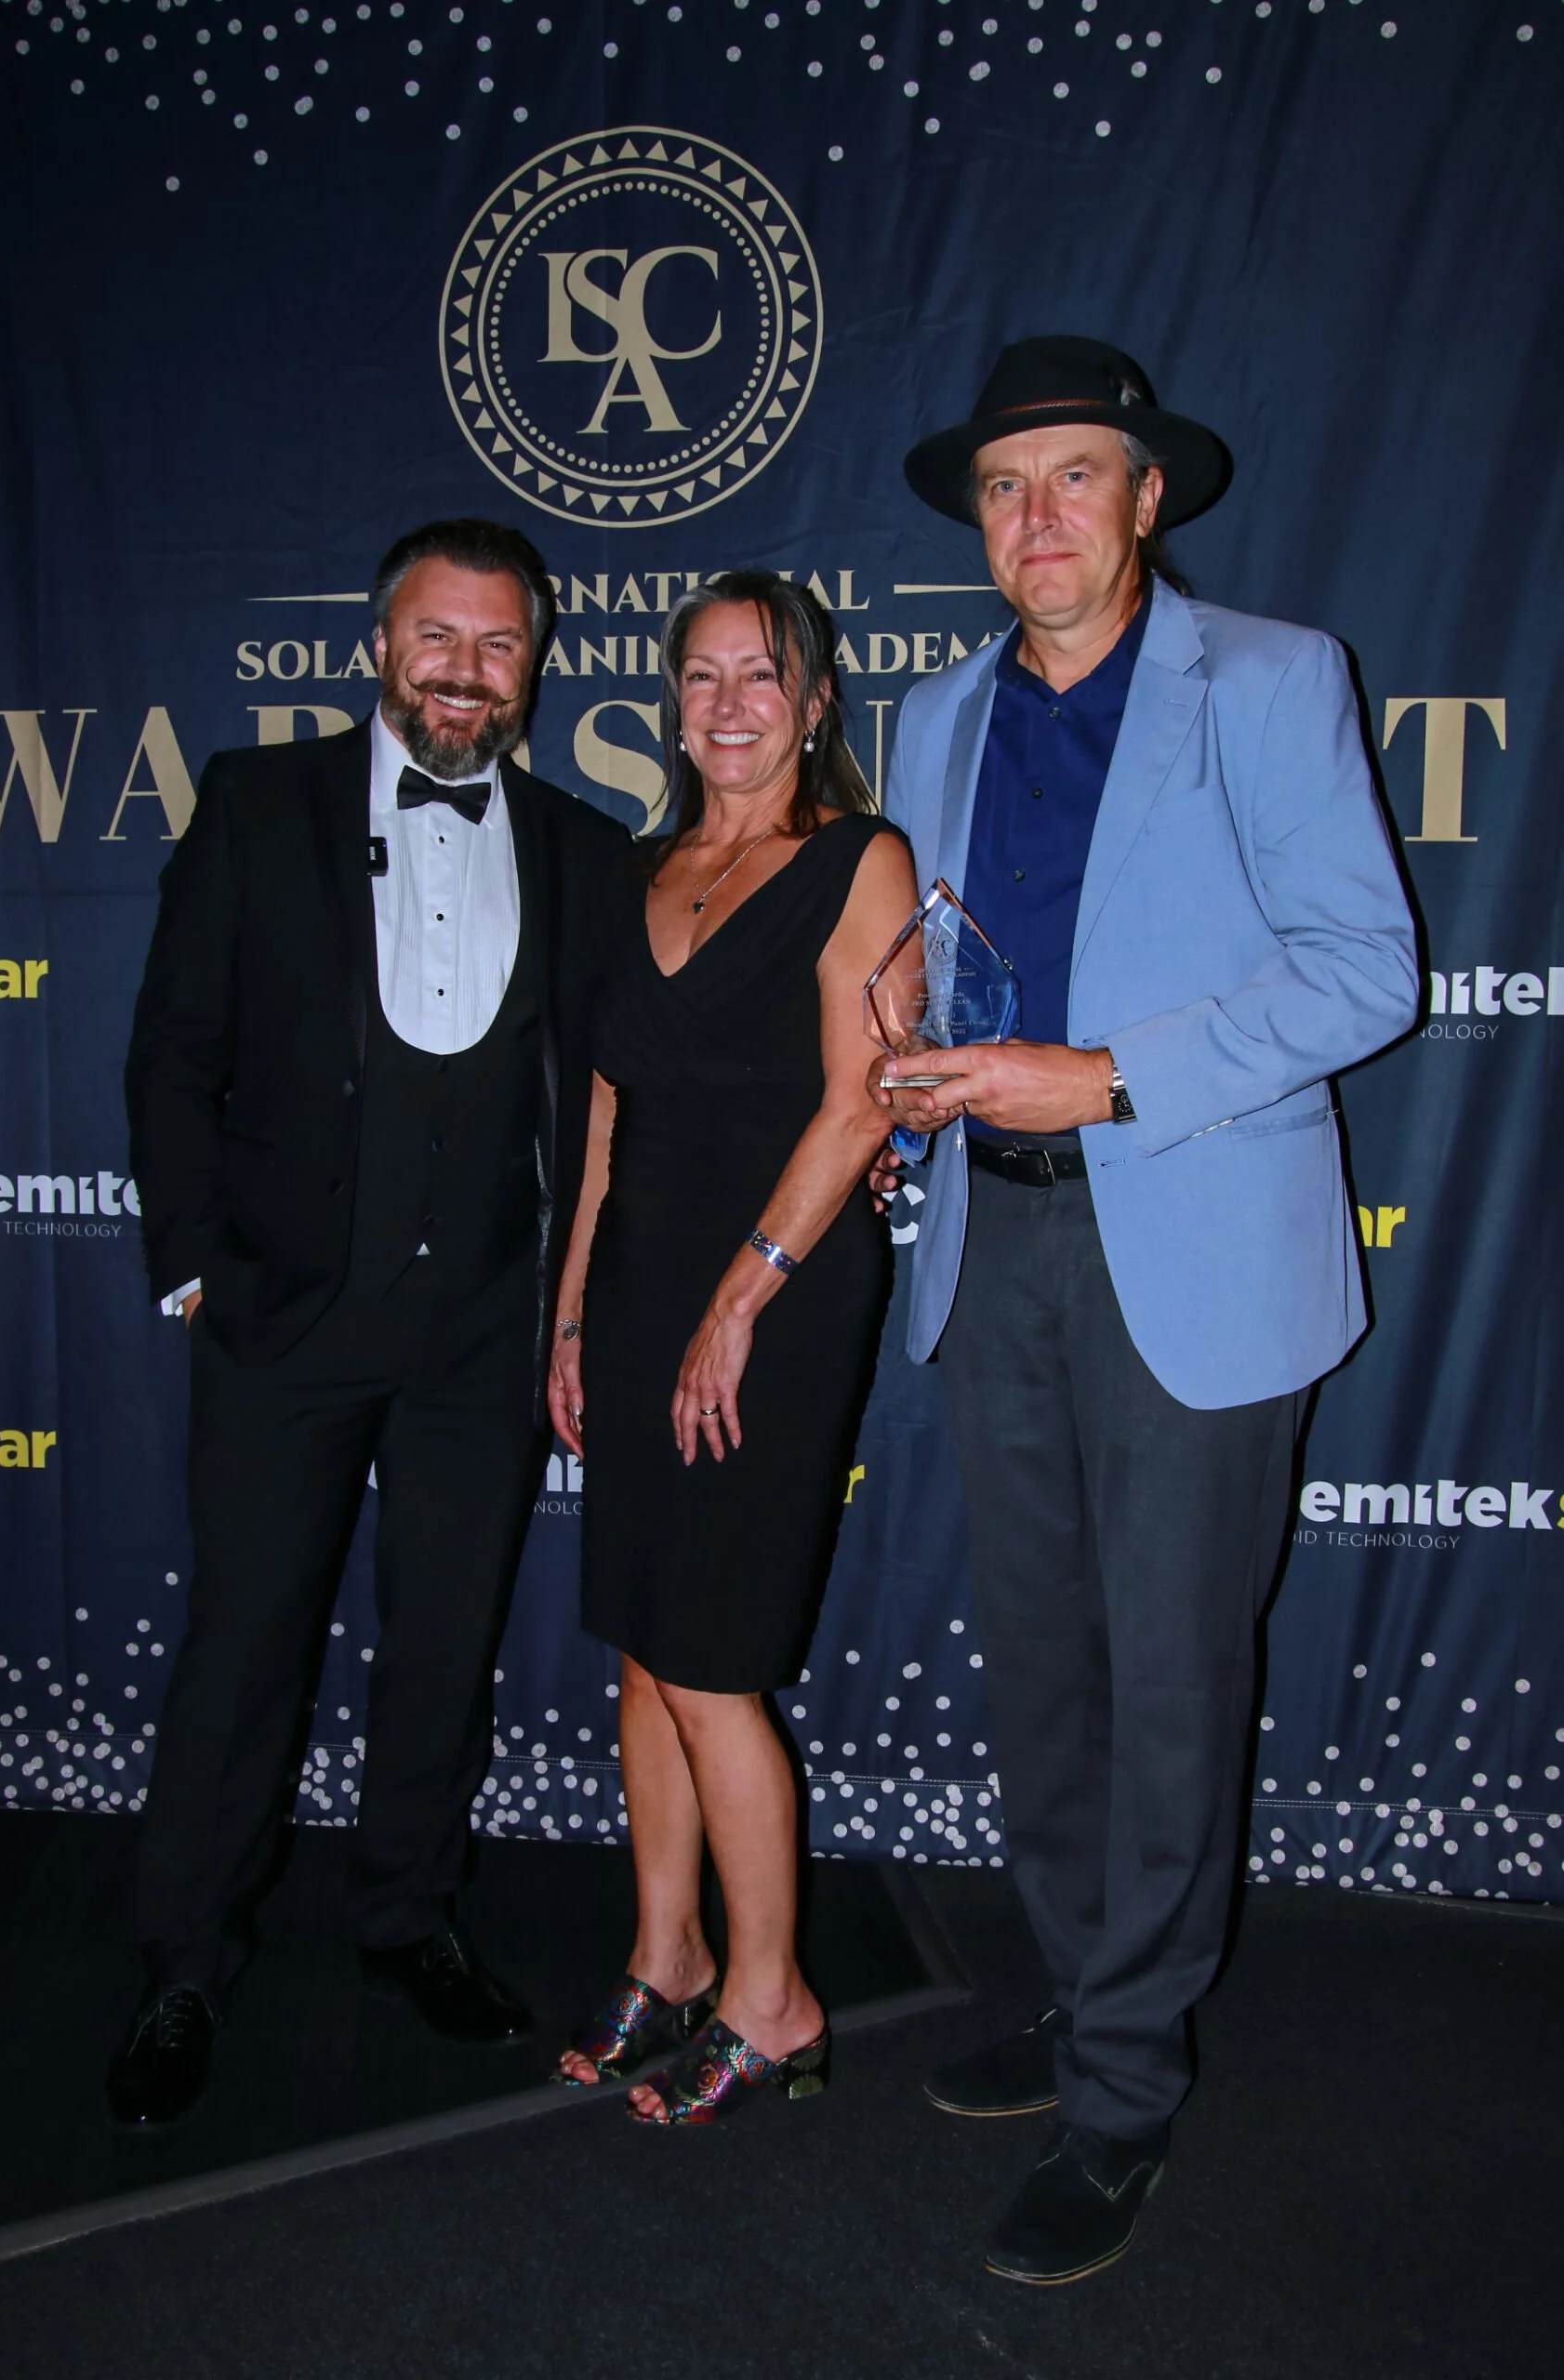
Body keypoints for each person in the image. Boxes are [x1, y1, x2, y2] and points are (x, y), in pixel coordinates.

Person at [872, 337, 1417, 2281]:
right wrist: (918, 1081)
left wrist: (1099, 1074)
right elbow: (937, 964)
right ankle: (1088, 1989)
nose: (1036, 516)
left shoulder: (1269, 677)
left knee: (1174, 1680)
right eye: (1005, 484)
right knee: (1043, 1665)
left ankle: (1127, 2093)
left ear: (1147, 496)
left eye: (1074, 476)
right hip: (990, 1241)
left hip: (1181, 1235)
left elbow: (1369, 969)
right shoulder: (936, 713)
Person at [110, 518, 628, 2128]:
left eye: (496, 646)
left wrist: (573, 1309)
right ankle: (185, 1960)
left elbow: (612, 1103)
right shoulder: (258, 805)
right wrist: (196, 1261)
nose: (465, 672)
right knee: (244, 1646)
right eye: (437, 638)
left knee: (442, 1649)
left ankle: (406, 1915)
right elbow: (170, 1048)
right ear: (378, 645)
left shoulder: (580, 843)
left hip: (481, 1333)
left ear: (532, 665)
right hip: (282, 1321)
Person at [546, 573, 918, 2124]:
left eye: (758, 676)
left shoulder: (860, 862)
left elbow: (863, 1104)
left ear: (815, 700)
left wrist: (738, 1298)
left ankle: (778, 1999)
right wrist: (572, 1311)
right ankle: (670, 1953)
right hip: (637, 1295)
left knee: (711, 1666)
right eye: (698, 678)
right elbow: (607, 1117)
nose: (726, 704)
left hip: (779, 1294)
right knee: (641, 1647)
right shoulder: (639, 871)